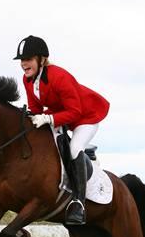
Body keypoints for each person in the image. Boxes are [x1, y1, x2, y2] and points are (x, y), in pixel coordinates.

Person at [15, 35, 109, 225]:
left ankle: (79, 202)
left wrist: (48, 118)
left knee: (74, 148)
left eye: (29, 59)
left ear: (41, 60)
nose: (24, 64)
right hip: (60, 115)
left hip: (86, 116)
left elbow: (75, 112)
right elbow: (35, 109)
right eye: (22, 60)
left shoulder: (59, 76)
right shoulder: (28, 80)